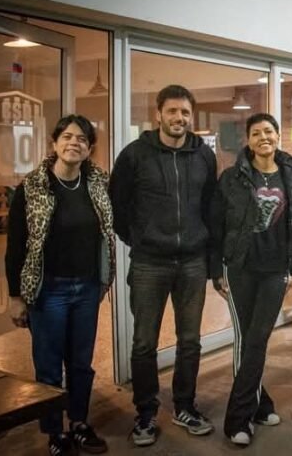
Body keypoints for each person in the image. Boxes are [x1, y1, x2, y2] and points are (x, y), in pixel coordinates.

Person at [109, 84, 217, 446]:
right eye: (172, 111)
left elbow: (209, 205)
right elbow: (117, 205)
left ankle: (185, 406)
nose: (179, 118)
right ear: (158, 114)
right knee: (144, 343)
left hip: (192, 262)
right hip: (149, 263)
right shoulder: (134, 155)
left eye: (185, 112)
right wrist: (140, 239)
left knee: (190, 341)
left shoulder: (203, 156)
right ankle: (145, 413)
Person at [6, 114, 115, 456]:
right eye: (67, 136)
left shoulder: (98, 184)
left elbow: (107, 234)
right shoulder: (32, 187)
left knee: (81, 363)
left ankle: (79, 422)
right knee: (49, 365)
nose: (74, 143)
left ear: (89, 148)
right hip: (48, 291)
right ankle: (55, 433)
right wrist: (15, 297)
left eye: (82, 139)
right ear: (54, 143)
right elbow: (15, 246)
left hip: (87, 288)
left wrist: (104, 278)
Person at [209, 113, 292, 446]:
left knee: (258, 339)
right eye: (256, 133)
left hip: (276, 269)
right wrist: (215, 270)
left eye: (268, 131)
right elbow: (217, 226)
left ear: (278, 136)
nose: (263, 137)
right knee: (246, 340)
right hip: (239, 267)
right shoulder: (232, 177)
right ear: (248, 141)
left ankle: (254, 407)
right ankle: (242, 417)